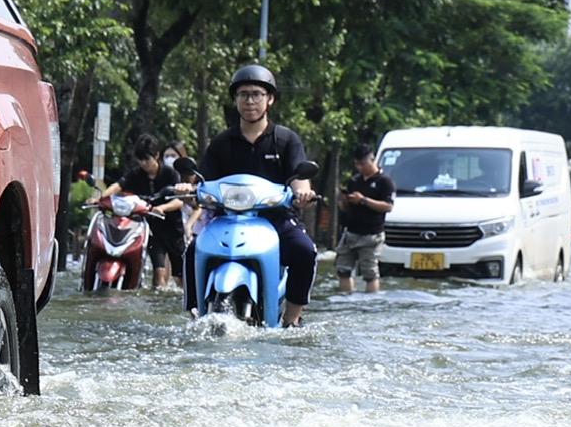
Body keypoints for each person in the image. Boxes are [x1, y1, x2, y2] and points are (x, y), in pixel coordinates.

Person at [192, 64, 319, 325]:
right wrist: (188, 188)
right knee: (192, 250)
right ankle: (194, 313)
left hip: (276, 218)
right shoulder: (221, 142)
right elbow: (203, 181)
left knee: (304, 250)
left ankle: (292, 319)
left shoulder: (286, 139)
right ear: (235, 100)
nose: (250, 100)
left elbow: (300, 177)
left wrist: (303, 193)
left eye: (257, 94)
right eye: (243, 94)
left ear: (269, 99)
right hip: (226, 219)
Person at [115, 149, 185, 290]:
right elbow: (119, 185)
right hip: (152, 231)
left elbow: (179, 201)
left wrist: (163, 208)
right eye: (140, 160)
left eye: (146, 159)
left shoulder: (171, 174)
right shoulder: (136, 174)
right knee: (159, 270)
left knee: (180, 275)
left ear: (156, 156)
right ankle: (157, 299)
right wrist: (101, 198)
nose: (143, 163)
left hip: (173, 230)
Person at [335, 144, 395, 293]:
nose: (360, 167)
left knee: (370, 273)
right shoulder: (354, 181)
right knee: (343, 269)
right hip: (350, 232)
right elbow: (344, 208)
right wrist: (344, 200)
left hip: (371, 234)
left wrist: (363, 200)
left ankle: (370, 302)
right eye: (357, 164)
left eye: (363, 163)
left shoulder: (385, 181)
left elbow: (388, 206)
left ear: (372, 160)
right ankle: (345, 299)